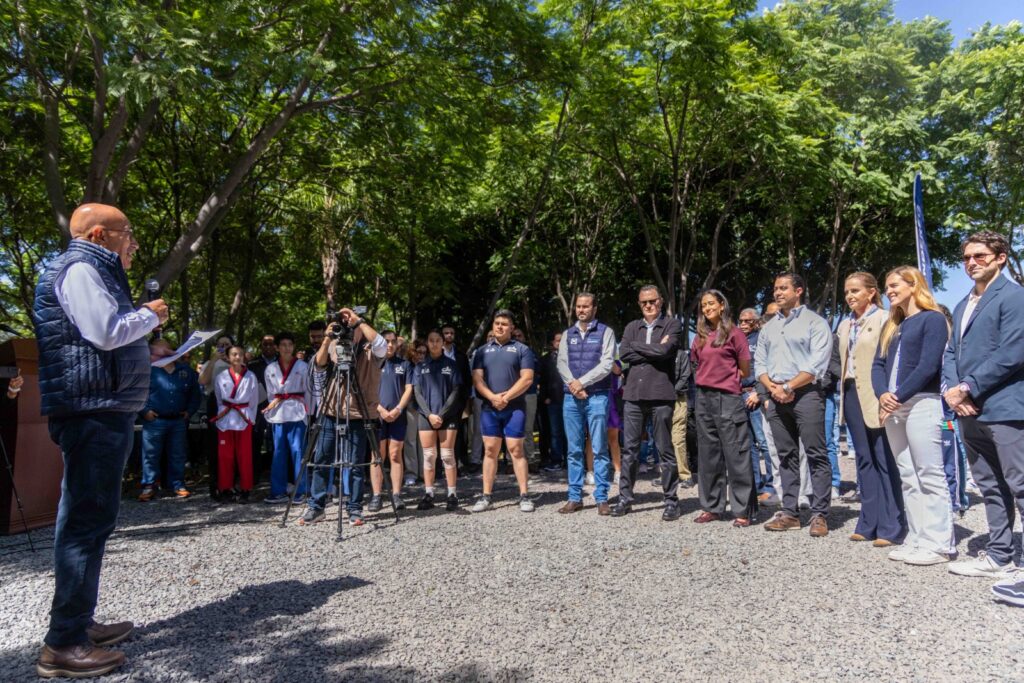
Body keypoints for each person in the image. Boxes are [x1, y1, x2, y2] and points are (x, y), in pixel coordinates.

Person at [33, 203, 168, 678]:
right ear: (98, 235)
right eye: (126, 233)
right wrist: (149, 317)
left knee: (91, 519)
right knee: (86, 522)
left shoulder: (91, 269)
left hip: (100, 406)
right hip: (92, 411)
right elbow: (106, 333)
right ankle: (64, 643)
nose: (132, 241)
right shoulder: (82, 269)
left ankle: (78, 623)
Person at [941, 232, 1024, 600]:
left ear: (1001, 257)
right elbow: (950, 353)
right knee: (990, 485)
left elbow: (1013, 351)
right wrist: (951, 390)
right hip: (967, 409)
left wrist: (969, 385)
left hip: (1005, 407)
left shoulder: (1014, 297)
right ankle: (1001, 555)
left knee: (1020, 484)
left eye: (980, 255)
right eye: (967, 257)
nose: (972, 262)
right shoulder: (962, 304)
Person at [871, 266, 954, 565]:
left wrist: (897, 397)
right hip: (894, 406)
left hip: (921, 402)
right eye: (886, 286)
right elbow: (877, 365)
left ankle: (940, 543)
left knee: (929, 473)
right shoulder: (893, 325)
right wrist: (882, 394)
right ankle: (917, 538)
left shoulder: (932, 319)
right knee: (907, 474)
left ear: (913, 284)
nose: (889, 291)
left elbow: (928, 365)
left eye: (894, 285)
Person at [756, 273, 833, 536]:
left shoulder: (815, 323)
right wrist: (773, 388)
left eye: (783, 288)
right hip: (776, 395)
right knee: (785, 455)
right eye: (775, 288)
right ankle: (790, 512)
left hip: (807, 394)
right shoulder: (768, 328)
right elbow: (759, 365)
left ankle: (820, 513)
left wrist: (789, 387)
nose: (777, 293)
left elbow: (816, 364)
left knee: (815, 454)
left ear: (798, 290)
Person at [300, 309, 386, 526]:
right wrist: (328, 337)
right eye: (345, 327)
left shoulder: (370, 350)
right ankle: (316, 507)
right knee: (321, 460)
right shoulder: (334, 346)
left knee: (356, 464)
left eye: (352, 328)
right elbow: (318, 364)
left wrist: (358, 322)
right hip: (331, 410)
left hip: (359, 413)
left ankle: (355, 509)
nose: (348, 331)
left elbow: (382, 344)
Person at [837, 272, 904, 547]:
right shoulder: (844, 325)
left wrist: (889, 395)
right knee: (863, 458)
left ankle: (892, 525)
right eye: (846, 292)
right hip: (852, 392)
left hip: (877, 392)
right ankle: (868, 521)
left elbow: (890, 360)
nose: (850, 296)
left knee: (884, 458)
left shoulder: (885, 319)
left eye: (855, 291)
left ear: (871, 292)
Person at [612, 285, 682, 520]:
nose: (649, 305)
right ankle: (625, 498)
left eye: (652, 301)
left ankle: (671, 500)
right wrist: (654, 350)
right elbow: (624, 354)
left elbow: (666, 351)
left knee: (664, 450)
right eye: (644, 302)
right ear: (639, 304)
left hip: (661, 395)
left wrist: (640, 348)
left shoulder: (672, 324)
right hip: (633, 396)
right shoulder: (632, 326)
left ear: (660, 301)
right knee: (630, 450)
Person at [691, 290, 756, 526]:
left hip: (728, 397)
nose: (707, 308)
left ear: (721, 306)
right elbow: (696, 363)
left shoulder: (735, 334)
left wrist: (726, 381)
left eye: (711, 304)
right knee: (708, 455)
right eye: (703, 305)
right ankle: (711, 507)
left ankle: (742, 510)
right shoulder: (700, 336)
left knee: (735, 453)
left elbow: (745, 369)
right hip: (703, 397)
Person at [556, 293, 616, 515]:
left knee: (600, 448)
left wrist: (581, 383)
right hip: (571, 398)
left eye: (586, 306)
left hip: (597, 396)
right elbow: (561, 362)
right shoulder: (567, 334)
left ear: (594, 308)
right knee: (573, 450)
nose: (581, 310)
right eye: (578, 307)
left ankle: (601, 498)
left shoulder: (606, 332)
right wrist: (574, 386)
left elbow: (607, 364)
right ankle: (574, 497)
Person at [471, 310, 537, 512]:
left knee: (516, 450)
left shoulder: (522, 349)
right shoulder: (481, 351)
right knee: (490, 450)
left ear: (512, 328)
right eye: (497, 323)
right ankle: (486, 496)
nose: (500, 326)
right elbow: (477, 378)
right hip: (490, 407)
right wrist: (492, 397)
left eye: (504, 324)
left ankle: (524, 495)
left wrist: (506, 397)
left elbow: (527, 379)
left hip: (514, 407)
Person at [139, 339, 201, 501]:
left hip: (178, 421)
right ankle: (149, 485)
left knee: (178, 454)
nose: (163, 351)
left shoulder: (185, 370)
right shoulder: (148, 369)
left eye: (166, 347)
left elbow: (195, 394)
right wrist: (144, 411)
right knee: (150, 455)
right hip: (154, 420)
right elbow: (137, 392)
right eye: (158, 348)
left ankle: (177, 484)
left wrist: (189, 411)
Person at [413, 330, 464, 511]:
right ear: (427, 343)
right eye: (431, 340)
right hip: (426, 416)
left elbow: (456, 391)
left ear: (443, 343)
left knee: (447, 456)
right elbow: (417, 393)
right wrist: (429, 415)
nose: (434, 343)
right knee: (429, 456)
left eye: (437, 340)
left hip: (447, 415)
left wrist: (441, 414)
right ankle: (429, 493)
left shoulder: (451, 365)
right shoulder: (420, 366)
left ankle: (452, 494)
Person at [261, 332, 311, 504]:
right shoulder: (271, 368)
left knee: (298, 452)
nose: (286, 348)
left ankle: (301, 491)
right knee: (278, 453)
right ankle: (278, 491)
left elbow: (308, 391)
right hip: (278, 413)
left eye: (289, 344)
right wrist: (271, 410)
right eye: (283, 345)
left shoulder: (303, 366)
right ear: (277, 347)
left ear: (293, 347)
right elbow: (270, 394)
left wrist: (309, 412)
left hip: (297, 412)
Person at [367, 330, 413, 512]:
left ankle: (396, 494)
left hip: (397, 415)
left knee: (395, 454)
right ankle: (377, 495)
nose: (391, 345)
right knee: (377, 455)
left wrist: (398, 409)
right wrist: (380, 409)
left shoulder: (405, 365)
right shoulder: (371, 363)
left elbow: (409, 389)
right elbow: (365, 389)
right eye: (387, 341)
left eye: (394, 342)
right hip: (376, 415)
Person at [211, 346, 259, 502]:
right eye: (233, 354)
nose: (237, 357)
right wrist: (223, 412)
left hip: (244, 417)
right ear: (228, 357)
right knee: (225, 456)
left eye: (239, 354)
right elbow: (219, 399)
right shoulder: (221, 377)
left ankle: (245, 489)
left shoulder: (250, 376)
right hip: (225, 418)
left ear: (244, 356)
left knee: (244, 455)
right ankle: (225, 488)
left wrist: (251, 417)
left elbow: (254, 401)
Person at [738, 308, 774, 502]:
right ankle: (755, 484)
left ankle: (771, 486)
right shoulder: (736, 340)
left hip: (755, 394)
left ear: (756, 322)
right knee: (748, 444)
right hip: (739, 394)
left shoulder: (762, 339)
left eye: (748, 321)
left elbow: (765, 368)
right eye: (741, 321)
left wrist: (759, 393)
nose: (744, 324)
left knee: (765, 442)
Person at [512, 327, 541, 470]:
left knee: (528, 428)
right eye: (515, 336)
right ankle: (512, 461)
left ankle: (530, 458)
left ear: (524, 337)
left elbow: (538, 373)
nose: (517, 337)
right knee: (511, 428)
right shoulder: (508, 352)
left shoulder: (530, 353)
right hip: (511, 394)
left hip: (529, 394)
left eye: (520, 335)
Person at [539, 331, 566, 471]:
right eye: (558, 340)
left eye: (563, 340)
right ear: (553, 343)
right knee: (555, 432)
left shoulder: (571, 358)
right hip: (553, 401)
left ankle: (570, 461)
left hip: (569, 400)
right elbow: (542, 381)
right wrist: (545, 398)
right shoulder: (545, 359)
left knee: (571, 432)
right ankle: (556, 460)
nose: (560, 343)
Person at [672, 342, 694, 489]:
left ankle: (685, 475)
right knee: (662, 440)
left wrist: (671, 391)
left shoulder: (681, 355)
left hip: (678, 399)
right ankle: (666, 474)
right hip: (661, 401)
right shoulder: (658, 353)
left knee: (678, 438)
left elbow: (685, 375)